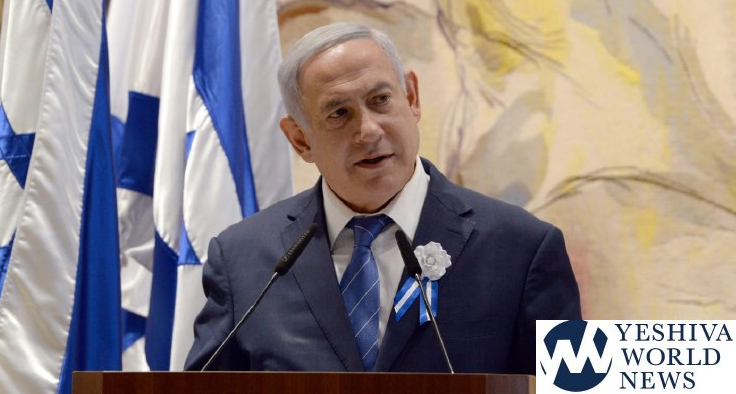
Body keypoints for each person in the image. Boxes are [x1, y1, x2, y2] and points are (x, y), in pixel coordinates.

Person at [184, 22, 581, 374]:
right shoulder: (243, 259)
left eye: (380, 100)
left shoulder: (524, 247)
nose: (369, 131)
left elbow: (584, 388)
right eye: (339, 114)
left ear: (412, 97)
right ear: (301, 140)